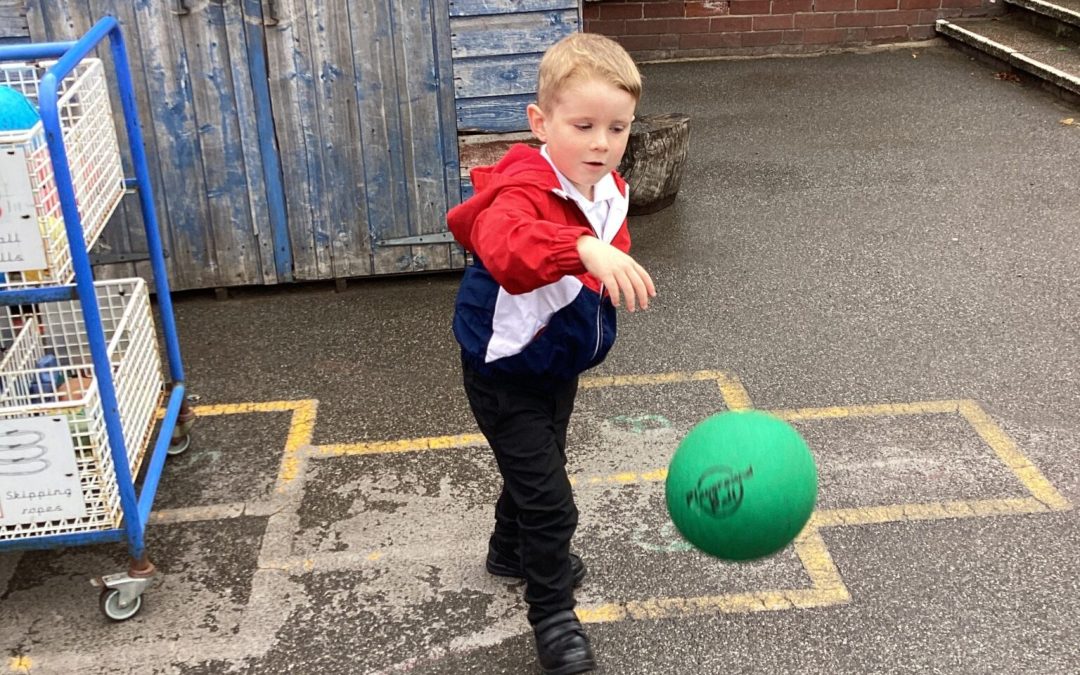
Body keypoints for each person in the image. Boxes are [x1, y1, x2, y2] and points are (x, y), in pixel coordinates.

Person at [447, 31, 655, 675]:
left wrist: (606, 262)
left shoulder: (607, 185)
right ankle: (553, 617)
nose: (601, 143)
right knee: (551, 502)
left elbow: (604, 243)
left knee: (540, 469)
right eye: (583, 126)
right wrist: (584, 249)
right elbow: (508, 246)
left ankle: (508, 550)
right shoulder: (520, 190)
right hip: (503, 370)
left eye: (617, 128)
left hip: (555, 362)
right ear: (541, 123)